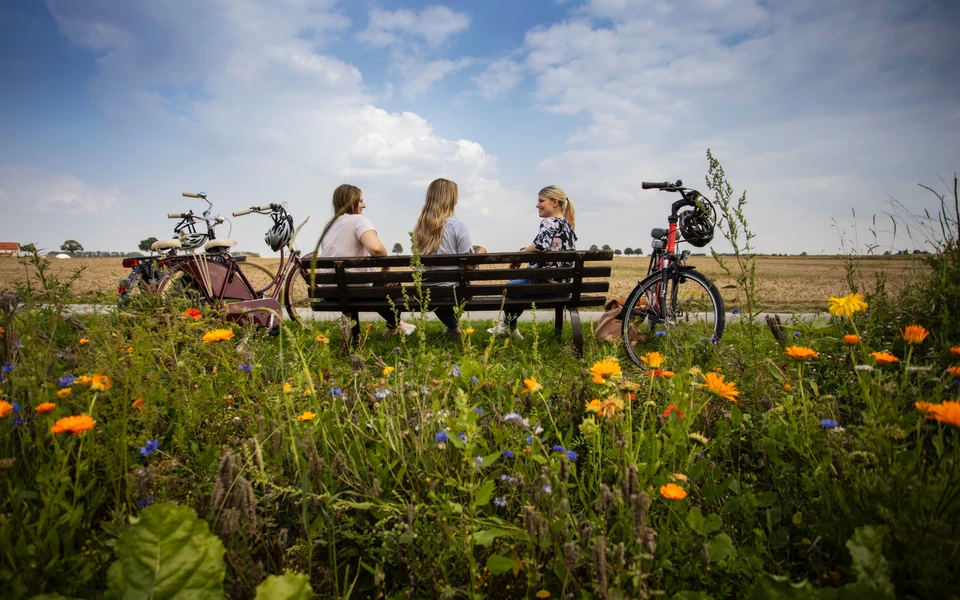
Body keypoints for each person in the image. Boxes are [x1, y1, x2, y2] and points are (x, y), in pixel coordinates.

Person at [318, 184, 415, 337]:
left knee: (379, 286)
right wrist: (386, 266)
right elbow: (376, 249)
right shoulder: (358, 220)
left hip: (331, 292)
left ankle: (396, 325)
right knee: (393, 285)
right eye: (360, 201)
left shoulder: (329, 226)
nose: (364, 205)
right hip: (356, 289)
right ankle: (394, 326)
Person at [488, 185, 576, 340]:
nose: (537, 205)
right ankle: (509, 327)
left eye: (541, 201)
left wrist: (520, 255)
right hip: (563, 289)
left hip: (544, 284)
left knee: (509, 288)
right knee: (518, 287)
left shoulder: (549, 222)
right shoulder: (568, 226)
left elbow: (541, 245)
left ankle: (508, 326)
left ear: (554, 202)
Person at [412, 178, 486, 337]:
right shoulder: (457, 225)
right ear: (452, 198)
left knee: (438, 293)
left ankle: (451, 327)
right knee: (460, 289)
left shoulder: (418, 228)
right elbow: (469, 266)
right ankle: (455, 329)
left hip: (428, 293)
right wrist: (481, 252)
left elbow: (418, 266)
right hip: (456, 292)